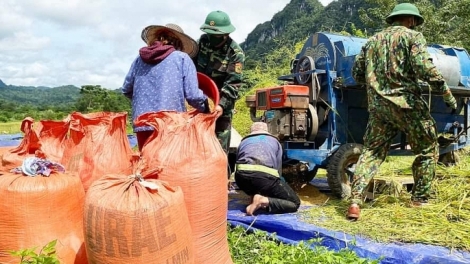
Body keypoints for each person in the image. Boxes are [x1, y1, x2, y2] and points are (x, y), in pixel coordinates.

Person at [348, 3, 458, 220]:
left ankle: (354, 202)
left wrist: (376, 85)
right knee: (427, 148)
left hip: (379, 108)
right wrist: (447, 94)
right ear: (411, 20)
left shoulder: (371, 42)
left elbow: (357, 73)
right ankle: (419, 199)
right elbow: (423, 68)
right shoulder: (413, 37)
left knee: (371, 152)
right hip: (407, 105)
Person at [122, 23, 211, 151]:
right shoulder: (182, 58)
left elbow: (126, 89)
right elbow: (193, 95)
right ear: (178, 43)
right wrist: (206, 107)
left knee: (147, 165)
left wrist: (144, 101)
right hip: (171, 123)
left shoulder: (139, 59)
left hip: (143, 122)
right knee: (168, 166)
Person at [194, 10, 245, 157]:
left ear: (225, 34)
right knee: (196, 145)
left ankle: (222, 177)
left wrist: (222, 105)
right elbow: (190, 66)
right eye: (209, 33)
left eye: (215, 35)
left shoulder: (235, 53)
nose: (211, 38)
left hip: (222, 106)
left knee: (219, 148)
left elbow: (234, 83)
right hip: (198, 101)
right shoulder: (202, 42)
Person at [234, 122, 301, 216]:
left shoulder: (243, 142)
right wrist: (281, 185)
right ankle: (262, 200)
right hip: (263, 178)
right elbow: (278, 170)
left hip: (241, 179)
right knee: (294, 203)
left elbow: (238, 162)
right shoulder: (275, 141)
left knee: (256, 181)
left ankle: (253, 197)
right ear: (266, 131)